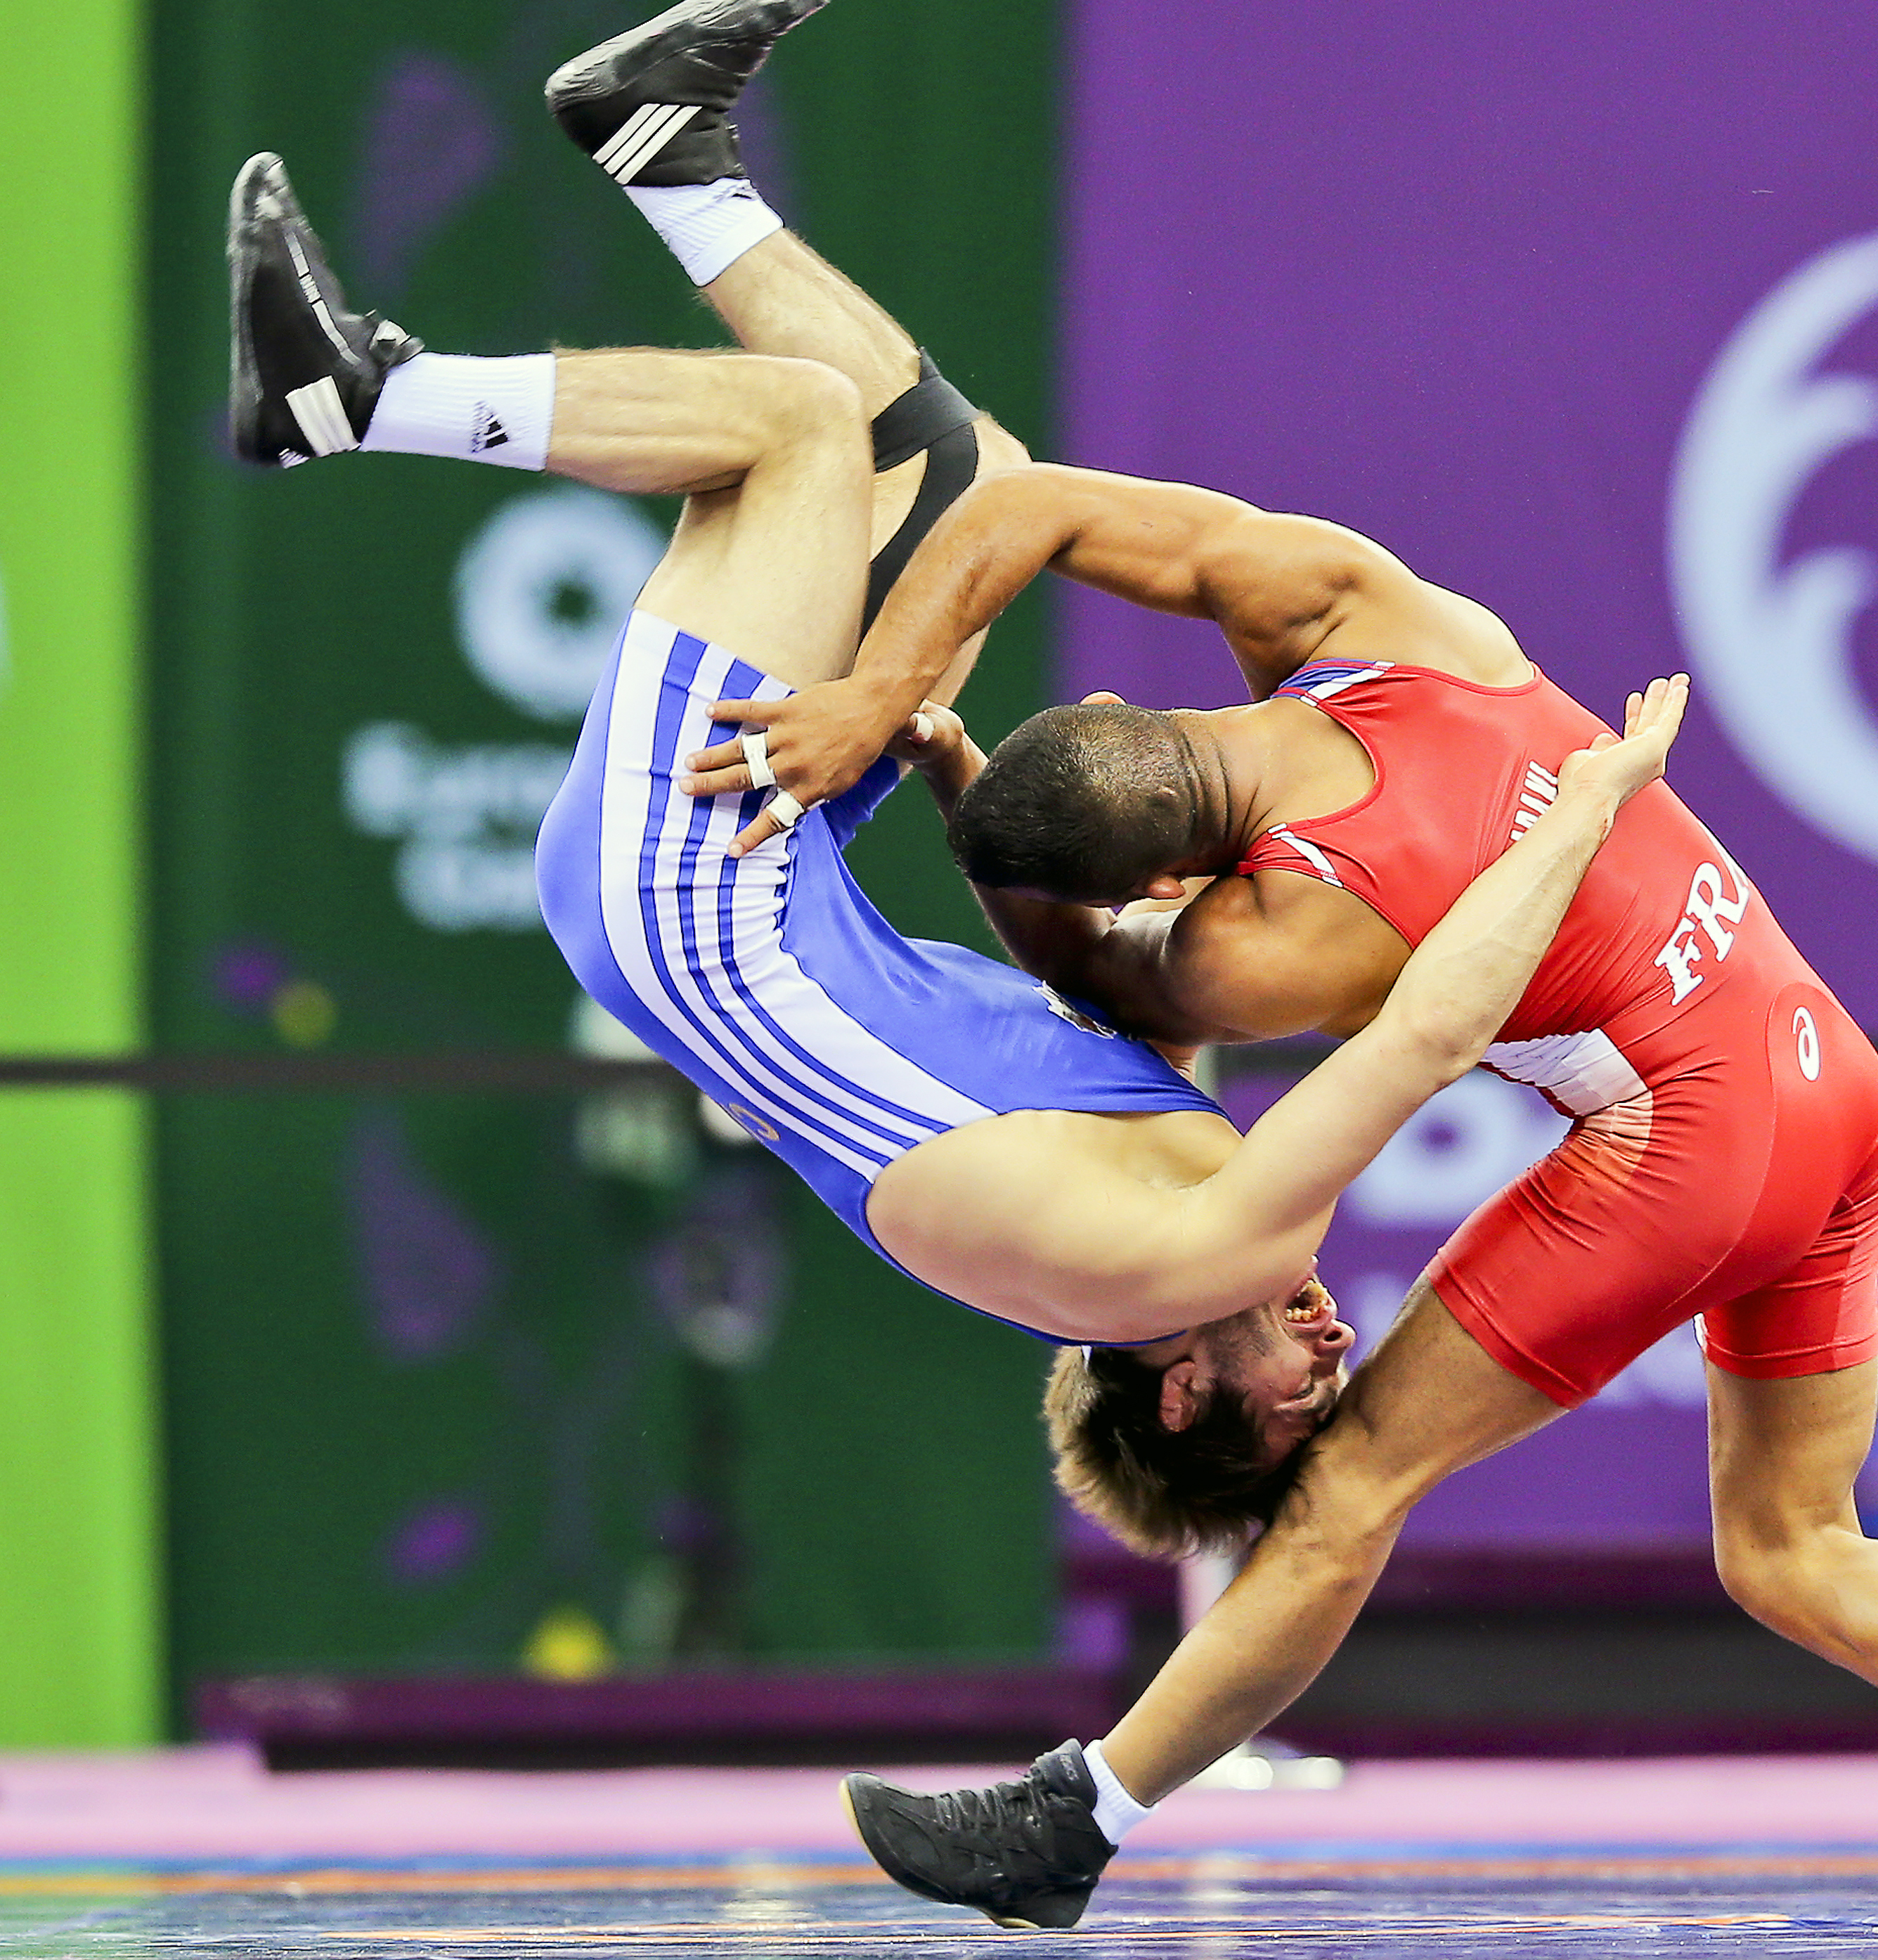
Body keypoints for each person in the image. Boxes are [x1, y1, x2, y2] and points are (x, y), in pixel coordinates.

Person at [554, 0, 1878, 1933]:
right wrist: (897, 698)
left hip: (1693, 1126)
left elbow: (1110, 994)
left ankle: (1079, 1819)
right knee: (1787, 1532)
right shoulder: (1377, 607)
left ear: (1179, 884)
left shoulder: (1296, 938)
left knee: (1346, 1492)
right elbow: (1026, 498)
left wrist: (899, 727)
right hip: (1833, 1076)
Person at [224, 131, 1692, 1500]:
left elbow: (1429, 1034)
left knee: (802, 427)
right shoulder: (1133, 1219)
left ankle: (347, 400)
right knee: (967, 477)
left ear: (1183, 1398)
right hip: (742, 892)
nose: (1337, 1350)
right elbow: (1119, 1012)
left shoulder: (1207, 1248)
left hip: (696, 902)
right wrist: (950, 777)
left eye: (1302, 1396)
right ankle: (669, 158)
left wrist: (1581, 811)